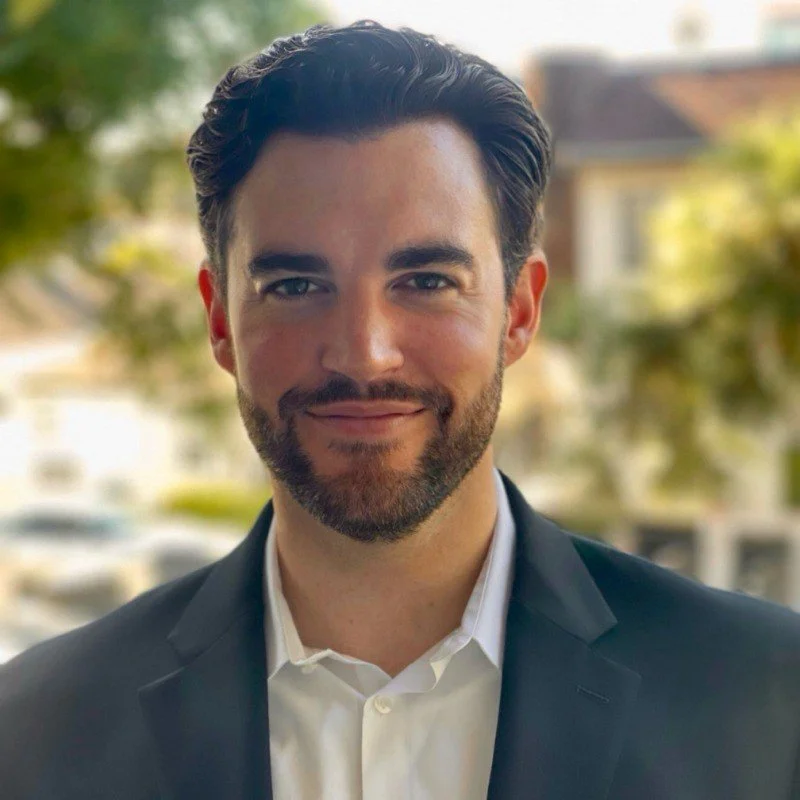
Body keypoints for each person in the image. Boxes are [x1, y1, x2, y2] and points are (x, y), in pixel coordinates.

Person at [1, 20, 799, 800]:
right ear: (219, 321)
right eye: (295, 286)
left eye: (426, 282)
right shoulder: (33, 730)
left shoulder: (768, 702)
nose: (364, 353)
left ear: (520, 311)